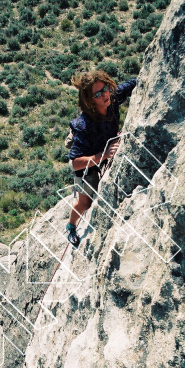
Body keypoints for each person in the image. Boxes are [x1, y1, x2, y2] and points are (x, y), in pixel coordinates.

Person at [66, 70, 138, 247]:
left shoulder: (111, 98)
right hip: (86, 159)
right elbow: (75, 163)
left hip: (104, 149)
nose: (105, 94)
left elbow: (134, 82)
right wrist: (103, 155)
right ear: (90, 100)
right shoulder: (84, 125)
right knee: (85, 202)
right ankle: (71, 227)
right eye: (98, 94)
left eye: (105, 88)